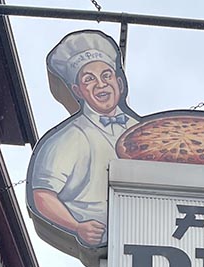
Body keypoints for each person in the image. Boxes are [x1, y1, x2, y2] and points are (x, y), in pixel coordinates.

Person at [27, 30, 139, 252]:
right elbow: (41, 194)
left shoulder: (144, 130)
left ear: (119, 82)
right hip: (106, 238)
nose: (101, 85)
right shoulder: (70, 137)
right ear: (77, 90)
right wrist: (77, 227)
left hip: (149, 234)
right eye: (89, 79)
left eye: (106, 76)